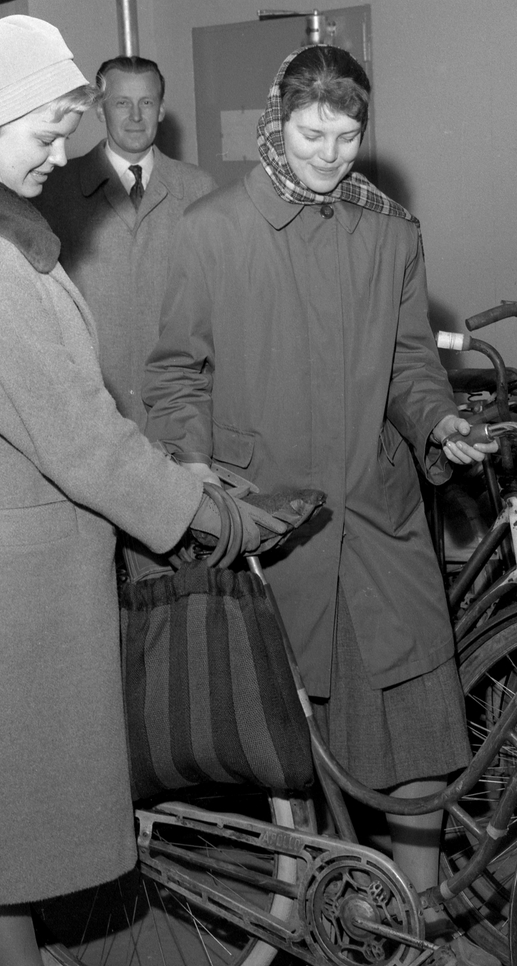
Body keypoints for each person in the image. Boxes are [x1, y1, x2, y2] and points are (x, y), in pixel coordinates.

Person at [0, 16, 285, 966]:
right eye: (47, 131)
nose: (61, 155)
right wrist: (198, 512)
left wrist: (170, 474)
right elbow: (73, 430)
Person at [143, 45, 494, 919]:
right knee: (283, 748)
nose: (331, 155)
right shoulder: (214, 229)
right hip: (270, 522)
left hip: (378, 518)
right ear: (276, 124)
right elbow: (176, 373)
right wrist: (194, 472)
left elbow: (411, 366)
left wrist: (439, 423)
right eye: (311, 135)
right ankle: (306, 909)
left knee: (418, 722)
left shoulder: (390, 232)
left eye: (347, 136)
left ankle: (416, 913)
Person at [35, 55, 214, 430]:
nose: (135, 116)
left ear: (161, 109)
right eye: (121, 103)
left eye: (146, 102)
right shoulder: (54, 192)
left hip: (178, 413)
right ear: (100, 110)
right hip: (89, 414)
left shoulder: (200, 190)